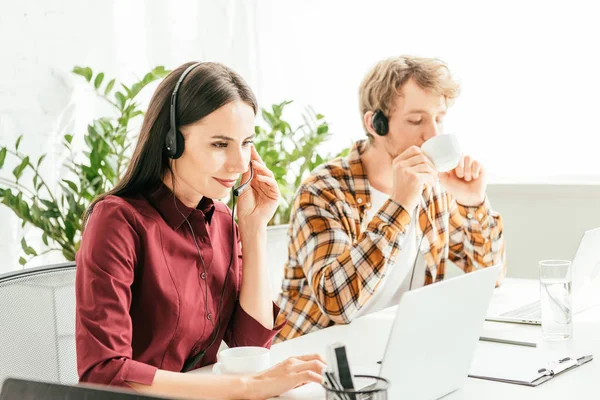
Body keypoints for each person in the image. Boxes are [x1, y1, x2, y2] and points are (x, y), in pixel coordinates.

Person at [75, 61, 324, 400]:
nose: (239, 164)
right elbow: (104, 372)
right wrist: (248, 388)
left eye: (246, 143)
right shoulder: (118, 221)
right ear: (171, 142)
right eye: (220, 144)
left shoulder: (222, 219)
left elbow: (250, 347)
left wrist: (253, 232)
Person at [275, 55, 506, 342]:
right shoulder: (323, 189)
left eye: (439, 119)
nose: (432, 134)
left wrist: (473, 203)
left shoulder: (433, 187)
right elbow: (337, 304)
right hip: (317, 356)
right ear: (376, 124)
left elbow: (489, 277)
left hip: (396, 346)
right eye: (416, 120)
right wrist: (399, 204)